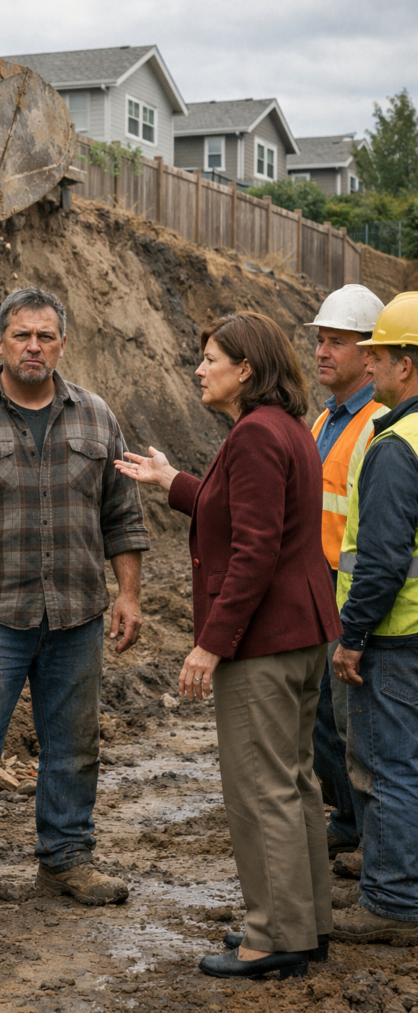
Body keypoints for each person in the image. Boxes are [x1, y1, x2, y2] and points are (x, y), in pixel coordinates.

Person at [0, 285, 150, 933]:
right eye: (22, 335)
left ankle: (66, 858)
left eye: (45, 336)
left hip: (75, 615)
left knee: (73, 747)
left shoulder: (96, 418)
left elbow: (123, 516)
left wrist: (128, 594)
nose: (34, 346)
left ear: (62, 343)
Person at [115, 311, 341, 980]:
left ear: (246, 369)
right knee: (295, 782)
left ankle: (274, 935)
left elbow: (253, 551)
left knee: (260, 789)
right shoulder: (283, 430)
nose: (199, 368)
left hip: (264, 643)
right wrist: (171, 480)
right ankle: (305, 923)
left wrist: (211, 645)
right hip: (300, 634)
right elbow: (241, 511)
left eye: (211, 358)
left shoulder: (252, 437)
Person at [330, 292, 418, 946]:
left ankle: (390, 902)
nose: (372, 365)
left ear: (404, 366)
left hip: (395, 636)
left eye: (379, 355)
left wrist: (352, 638)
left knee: (390, 767)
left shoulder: (395, 445)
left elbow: (382, 562)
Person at [304, 285, 386, 863]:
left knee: (355, 724)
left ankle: (369, 832)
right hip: (318, 591)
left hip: (353, 597)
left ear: (370, 354)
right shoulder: (325, 420)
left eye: (337, 342)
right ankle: (348, 818)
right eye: (319, 341)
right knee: (322, 721)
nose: (322, 352)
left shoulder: (379, 425)